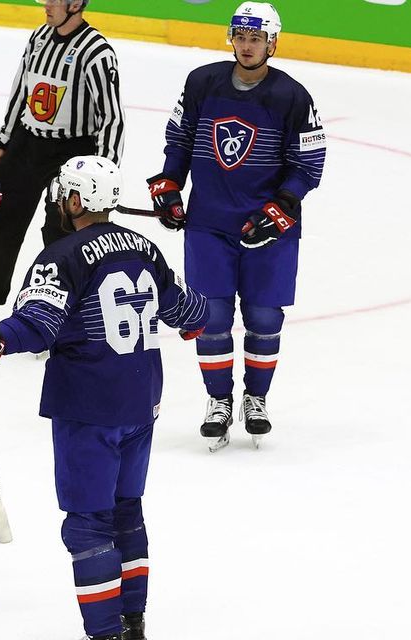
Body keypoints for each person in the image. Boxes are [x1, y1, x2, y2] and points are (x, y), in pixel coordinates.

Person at [0, 156, 207, 640]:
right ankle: (132, 625)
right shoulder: (146, 249)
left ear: (77, 201)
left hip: (89, 407)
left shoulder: (61, 255)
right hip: (141, 402)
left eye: (64, 194)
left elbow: (38, 327)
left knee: (88, 523)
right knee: (127, 511)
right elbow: (191, 314)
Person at [147, 1, 327, 451]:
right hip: (209, 224)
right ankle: (218, 401)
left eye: (256, 39)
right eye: (241, 37)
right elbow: (180, 139)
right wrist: (170, 186)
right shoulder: (202, 82)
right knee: (211, 317)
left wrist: (281, 208)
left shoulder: (292, 96)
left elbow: (308, 164)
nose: (247, 46)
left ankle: (256, 399)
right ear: (232, 38)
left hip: (270, 226)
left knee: (265, 316)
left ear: (272, 42)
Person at [0, 0, 126, 323]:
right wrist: (5, 142)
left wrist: (105, 173)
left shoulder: (97, 52)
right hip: (28, 142)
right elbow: (21, 91)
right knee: (0, 214)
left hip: (73, 150)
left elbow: (112, 118)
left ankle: (63, 312)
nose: (45, 4)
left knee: (62, 229)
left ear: (75, 3)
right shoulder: (39, 38)